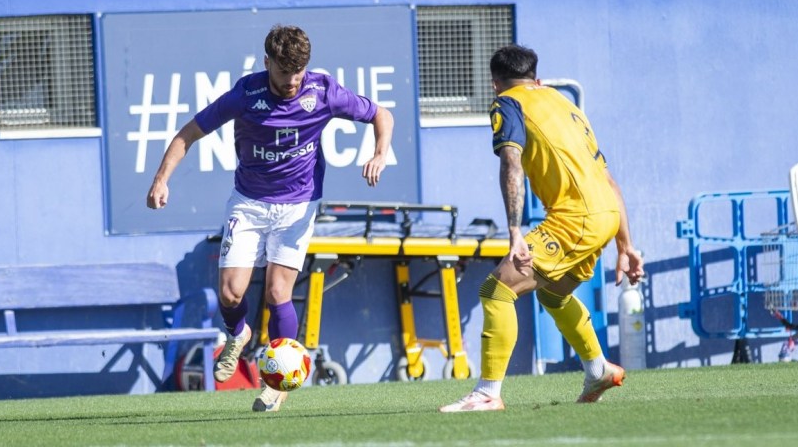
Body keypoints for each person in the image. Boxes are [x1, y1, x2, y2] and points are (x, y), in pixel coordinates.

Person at [146, 25, 394, 412]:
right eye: (283, 73)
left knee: (278, 292)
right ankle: (239, 333)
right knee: (231, 293)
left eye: (298, 73)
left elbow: (382, 114)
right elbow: (188, 134)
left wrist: (380, 152)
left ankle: (276, 386)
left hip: (298, 205)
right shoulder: (246, 94)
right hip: (248, 202)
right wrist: (161, 180)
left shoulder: (323, 91)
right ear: (267, 64)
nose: (292, 82)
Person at [440, 44, 644, 412]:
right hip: (604, 215)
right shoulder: (566, 105)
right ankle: (598, 369)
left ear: (495, 84)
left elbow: (511, 163)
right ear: (537, 78)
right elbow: (607, 178)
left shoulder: (507, 103)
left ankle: (488, 393)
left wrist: (515, 231)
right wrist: (625, 245)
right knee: (553, 295)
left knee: (496, 290)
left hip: (574, 219)